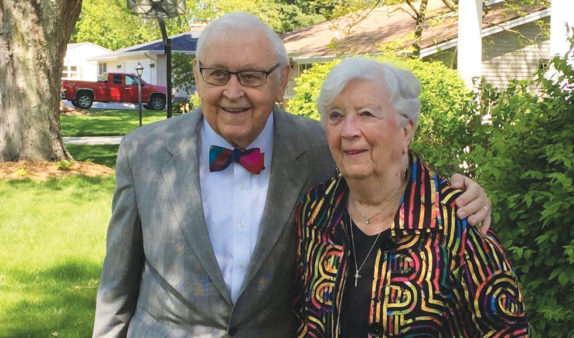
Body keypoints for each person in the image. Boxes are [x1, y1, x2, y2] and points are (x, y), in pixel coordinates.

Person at [93, 13, 492, 337]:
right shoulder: (143, 151)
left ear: (281, 80)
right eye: (217, 74)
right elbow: (116, 284)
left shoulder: (325, 145)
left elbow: (387, 173)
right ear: (197, 76)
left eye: (251, 76)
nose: (233, 92)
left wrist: (464, 194)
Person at [294, 58, 529, 337]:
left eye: (367, 114)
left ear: (406, 130)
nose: (348, 131)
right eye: (335, 116)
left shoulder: (457, 218)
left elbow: (507, 330)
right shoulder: (314, 211)